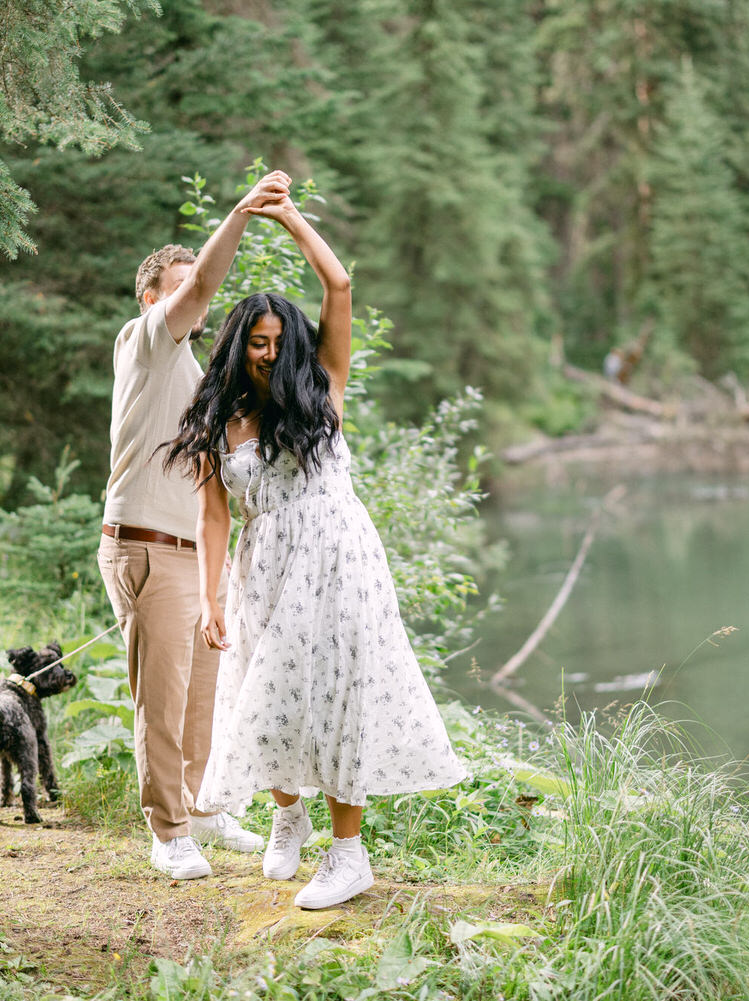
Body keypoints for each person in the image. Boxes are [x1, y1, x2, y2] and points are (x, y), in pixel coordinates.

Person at [160, 192, 467, 909]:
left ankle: (349, 854)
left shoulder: (322, 388)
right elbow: (212, 515)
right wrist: (209, 596)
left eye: (276, 342)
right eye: (256, 344)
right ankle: (287, 813)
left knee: (341, 697)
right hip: (264, 565)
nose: (267, 354)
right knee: (261, 696)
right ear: (239, 347)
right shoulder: (221, 417)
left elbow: (339, 285)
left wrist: (289, 217)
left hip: (340, 557)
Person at [97, 170, 292, 881]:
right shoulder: (143, 342)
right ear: (154, 299)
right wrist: (243, 211)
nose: (192, 300)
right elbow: (205, 288)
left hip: (195, 557)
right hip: (145, 548)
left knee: (207, 686)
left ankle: (205, 809)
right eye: (178, 289)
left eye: (189, 290)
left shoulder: (199, 377)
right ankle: (169, 830)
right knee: (166, 697)